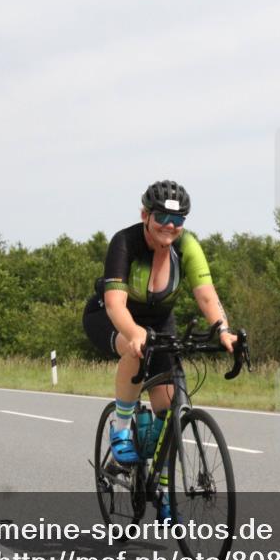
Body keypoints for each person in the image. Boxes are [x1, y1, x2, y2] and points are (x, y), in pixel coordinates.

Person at [83, 180, 235, 518]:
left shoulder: (187, 245)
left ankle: (163, 487)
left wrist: (223, 330)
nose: (170, 225)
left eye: (178, 219)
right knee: (133, 348)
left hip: (160, 321)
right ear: (145, 215)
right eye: (162, 217)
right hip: (111, 316)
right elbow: (115, 304)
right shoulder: (125, 242)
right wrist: (134, 332)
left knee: (169, 409)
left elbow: (206, 295)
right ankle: (121, 429)